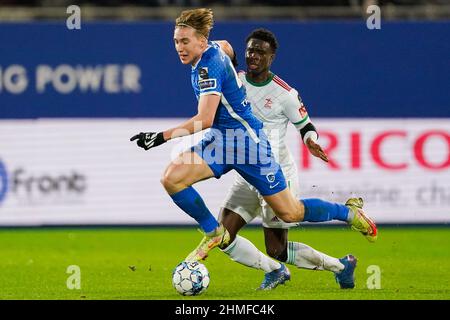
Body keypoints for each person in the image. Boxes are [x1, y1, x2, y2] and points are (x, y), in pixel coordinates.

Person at [130, 8, 377, 265]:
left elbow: (204, 119)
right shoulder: (213, 48)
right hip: (221, 141)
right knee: (172, 179)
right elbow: (225, 45)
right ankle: (213, 232)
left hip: (249, 146)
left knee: (290, 212)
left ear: (201, 42)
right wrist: (231, 67)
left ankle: (348, 213)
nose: (179, 47)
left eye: (185, 41)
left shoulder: (207, 68)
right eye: (176, 41)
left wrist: (159, 137)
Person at [217, 28, 359, 290]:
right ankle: (275, 272)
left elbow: (305, 126)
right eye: (250, 50)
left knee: (277, 248)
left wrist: (311, 141)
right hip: (247, 173)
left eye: (260, 51)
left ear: (272, 57)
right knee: (221, 236)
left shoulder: (285, 94)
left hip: (276, 173)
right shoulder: (235, 82)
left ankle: (341, 265)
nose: (253, 55)